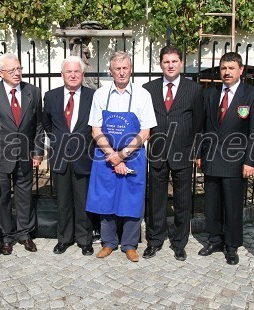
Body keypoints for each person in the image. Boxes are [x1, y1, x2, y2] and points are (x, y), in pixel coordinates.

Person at [86, 51, 157, 262]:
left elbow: (146, 132)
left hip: (133, 155)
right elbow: (95, 129)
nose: (122, 72)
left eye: (125, 67)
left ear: (131, 69)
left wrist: (123, 154)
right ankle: (108, 242)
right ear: (111, 71)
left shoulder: (143, 95)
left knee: (132, 199)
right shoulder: (100, 94)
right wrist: (112, 155)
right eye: (117, 68)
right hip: (106, 155)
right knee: (106, 198)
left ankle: (129, 245)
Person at [196, 52, 254, 265]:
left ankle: (232, 245)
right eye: (223, 68)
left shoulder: (253, 95)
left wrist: (251, 161)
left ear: (241, 70)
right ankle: (215, 240)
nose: (226, 72)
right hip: (211, 158)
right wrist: (198, 153)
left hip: (237, 162)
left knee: (233, 206)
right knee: (212, 204)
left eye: (231, 68)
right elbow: (202, 125)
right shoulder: (210, 94)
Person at [142, 45, 204, 261]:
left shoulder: (193, 89)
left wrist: (196, 152)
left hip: (183, 152)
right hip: (157, 152)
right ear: (160, 64)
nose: (170, 65)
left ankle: (179, 243)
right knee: (155, 200)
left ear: (181, 63)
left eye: (174, 61)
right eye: (166, 62)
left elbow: (198, 123)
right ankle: (155, 240)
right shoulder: (148, 89)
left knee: (182, 200)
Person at [0, 53, 43, 255]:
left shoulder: (32, 91)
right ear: (1, 73)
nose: (17, 73)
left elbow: (38, 125)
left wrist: (38, 151)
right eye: (12, 70)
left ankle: (25, 233)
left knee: (25, 196)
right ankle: (6, 236)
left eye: (19, 69)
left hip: (25, 154)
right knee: (2, 197)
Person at [42, 56, 95, 256]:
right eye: (69, 72)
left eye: (77, 71)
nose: (73, 75)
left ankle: (84, 240)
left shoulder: (92, 96)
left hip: (84, 156)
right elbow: (47, 123)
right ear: (62, 74)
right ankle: (64, 238)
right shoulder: (51, 96)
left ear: (83, 74)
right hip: (60, 156)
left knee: (83, 201)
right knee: (63, 201)